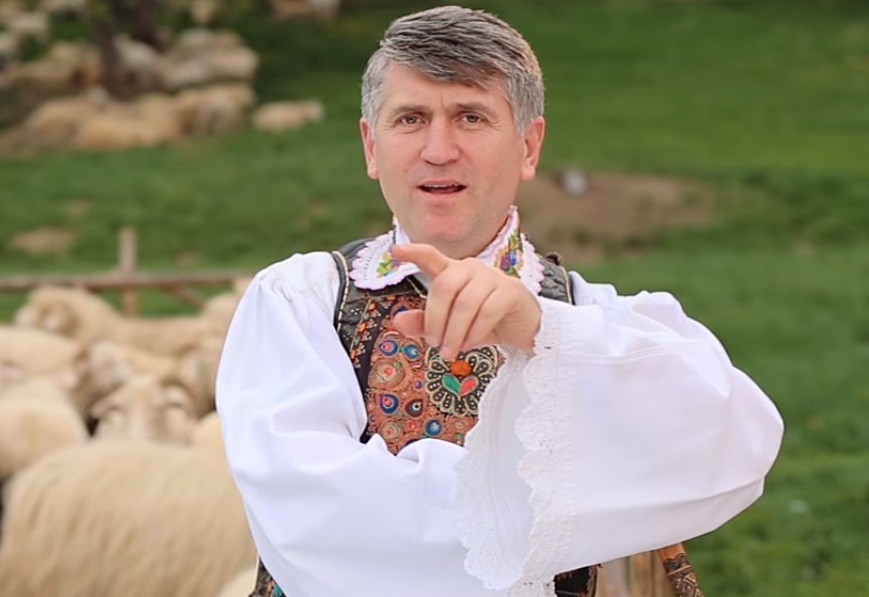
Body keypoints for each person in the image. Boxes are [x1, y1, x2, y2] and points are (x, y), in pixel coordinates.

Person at [215, 6, 784, 597]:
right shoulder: (302, 303)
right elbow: (322, 523)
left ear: (529, 147)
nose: (439, 149)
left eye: (471, 117)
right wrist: (578, 490)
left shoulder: (588, 316)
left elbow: (735, 446)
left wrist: (540, 331)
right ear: (371, 147)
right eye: (411, 118)